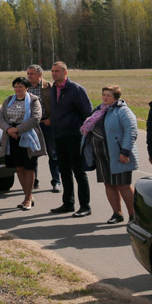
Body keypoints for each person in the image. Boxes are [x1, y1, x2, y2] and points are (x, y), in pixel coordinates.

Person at [80, 85, 139, 224]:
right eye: (104, 94)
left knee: (123, 185)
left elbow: (131, 132)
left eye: (108, 95)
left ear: (116, 97)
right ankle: (117, 214)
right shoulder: (99, 110)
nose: (105, 97)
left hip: (118, 155)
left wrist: (125, 151)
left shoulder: (123, 111)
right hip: (101, 155)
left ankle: (135, 216)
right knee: (109, 184)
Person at [48, 61, 93, 217]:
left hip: (74, 136)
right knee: (64, 171)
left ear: (65, 73)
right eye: (52, 71)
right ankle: (68, 203)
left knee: (79, 172)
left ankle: (85, 206)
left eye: (57, 71)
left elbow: (87, 114)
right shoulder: (53, 89)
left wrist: (82, 134)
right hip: (59, 136)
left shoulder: (76, 90)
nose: (54, 74)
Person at [0, 76, 45, 210]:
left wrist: (18, 129)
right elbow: (0, 117)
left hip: (27, 137)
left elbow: (35, 118)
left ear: (27, 88)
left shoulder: (34, 100)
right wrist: (8, 129)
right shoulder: (8, 100)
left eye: (21, 86)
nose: (18, 89)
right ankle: (28, 196)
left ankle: (27, 199)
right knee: (18, 167)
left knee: (29, 167)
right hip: (11, 138)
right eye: (16, 86)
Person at [26, 64, 59, 193]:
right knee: (33, 154)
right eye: (28, 74)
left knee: (53, 154)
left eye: (31, 74)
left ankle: (56, 181)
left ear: (39, 75)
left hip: (47, 124)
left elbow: (57, 106)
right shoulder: (25, 87)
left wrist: (51, 119)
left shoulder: (49, 87)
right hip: (32, 125)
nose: (29, 76)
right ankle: (34, 181)